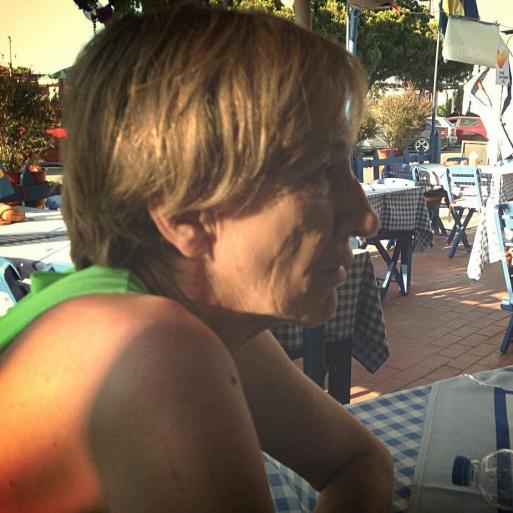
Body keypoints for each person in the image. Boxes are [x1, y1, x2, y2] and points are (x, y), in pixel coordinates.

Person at [0, 3, 393, 512]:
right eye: (319, 170)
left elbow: (361, 461)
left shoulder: (203, 320)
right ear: (185, 215)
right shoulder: (151, 348)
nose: (366, 218)